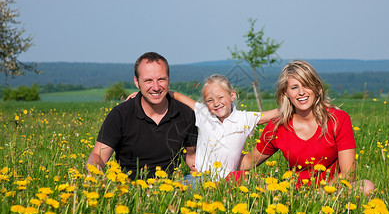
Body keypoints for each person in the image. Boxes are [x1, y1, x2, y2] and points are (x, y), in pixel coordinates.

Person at [239, 60, 374, 195]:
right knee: (238, 178)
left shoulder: (338, 119)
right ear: (286, 92)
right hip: (293, 194)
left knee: (366, 186)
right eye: (294, 87)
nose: (301, 92)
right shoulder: (277, 125)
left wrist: (317, 195)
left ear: (316, 88)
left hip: (330, 192)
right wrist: (220, 160)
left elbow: (348, 173)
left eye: (306, 85)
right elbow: (249, 162)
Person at [128, 74, 278, 181]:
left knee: (254, 182)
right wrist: (145, 95)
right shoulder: (204, 113)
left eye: (221, 97)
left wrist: (295, 104)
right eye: (210, 100)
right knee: (171, 194)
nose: (216, 103)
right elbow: (178, 96)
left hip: (228, 180)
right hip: (199, 177)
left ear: (232, 95)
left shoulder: (244, 118)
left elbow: (273, 114)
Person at [86, 52, 197, 180]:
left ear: (168, 79)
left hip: (172, 187)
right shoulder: (120, 115)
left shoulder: (185, 113)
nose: (156, 87)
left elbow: (191, 156)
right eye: (148, 80)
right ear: (137, 82)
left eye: (161, 79)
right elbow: (98, 155)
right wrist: (98, 175)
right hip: (129, 186)